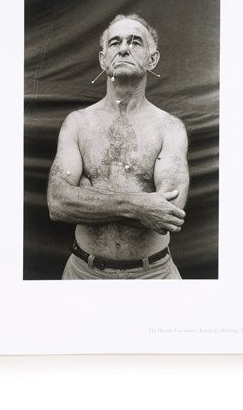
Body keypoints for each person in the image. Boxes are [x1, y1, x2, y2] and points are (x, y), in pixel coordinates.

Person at [46, 14, 189, 279]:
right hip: (84, 274)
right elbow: (57, 203)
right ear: (103, 59)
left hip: (154, 276)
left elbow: (169, 213)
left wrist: (87, 195)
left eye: (135, 42)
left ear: (152, 59)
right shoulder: (77, 123)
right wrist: (140, 206)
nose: (124, 49)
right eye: (115, 42)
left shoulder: (169, 127)